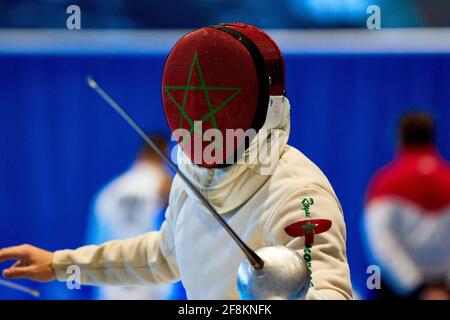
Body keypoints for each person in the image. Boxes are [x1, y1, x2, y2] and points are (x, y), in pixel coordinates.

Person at [0, 23, 352, 300]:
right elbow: (164, 255)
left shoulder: (295, 194)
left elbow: (328, 293)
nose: (199, 109)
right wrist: (60, 263)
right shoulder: (193, 176)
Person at [364, 112, 450, 300]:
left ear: (399, 139)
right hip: (444, 288)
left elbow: (381, 245)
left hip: (396, 289)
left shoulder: (386, 182)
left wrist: (417, 287)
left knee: (373, 274)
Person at [87, 135, 183, 300]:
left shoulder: (107, 193)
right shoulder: (165, 186)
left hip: (111, 289)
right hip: (151, 286)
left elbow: (91, 249)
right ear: (165, 154)